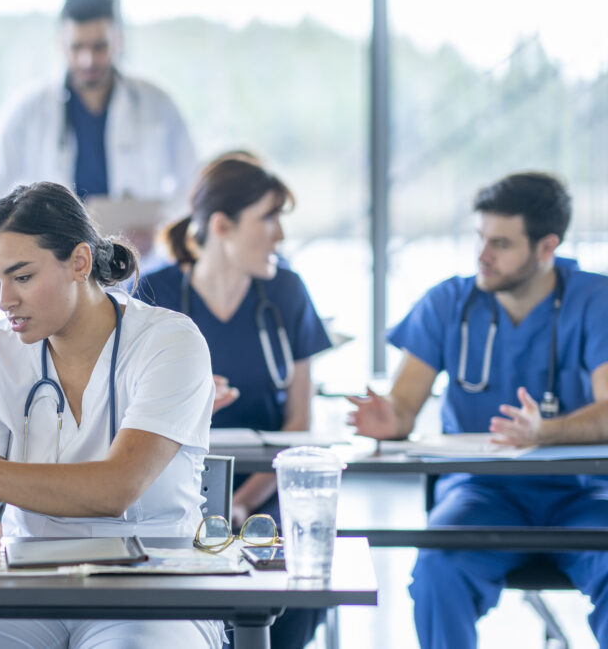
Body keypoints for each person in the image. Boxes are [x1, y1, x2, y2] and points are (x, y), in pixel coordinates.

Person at [0, 181, 222, 648]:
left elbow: (114, 489)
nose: (4, 300)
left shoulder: (169, 342)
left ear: (79, 262)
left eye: (21, 277)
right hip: (30, 580)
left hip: (153, 583)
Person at [347, 172, 608, 648]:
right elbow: (404, 405)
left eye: (501, 244)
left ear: (547, 247)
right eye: (480, 238)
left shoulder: (595, 300)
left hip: (585, 495)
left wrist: (545, 432)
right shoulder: (449, 302)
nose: (482, 256)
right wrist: (391, 421)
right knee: (436, 569)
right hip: (483, 493)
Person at [135, 154, 331, 649]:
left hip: (268, 489)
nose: (279, 236)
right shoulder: (155, 293)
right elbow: (128, 419)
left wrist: (243, 501)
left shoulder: (287, 292)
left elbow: (299, 423)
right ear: (221, 225)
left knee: (293, 596)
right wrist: (195, 406)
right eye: (268, 218)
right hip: (176, 486)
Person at [0, 0, 197, 259]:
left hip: (138, 257)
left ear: (117, 41)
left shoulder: (157, 103)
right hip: (56, 257)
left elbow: (192, 180)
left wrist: (158, 229)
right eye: (77, 47)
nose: (88, 60)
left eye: (99, 46)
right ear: (61, 44)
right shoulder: (27, 110)